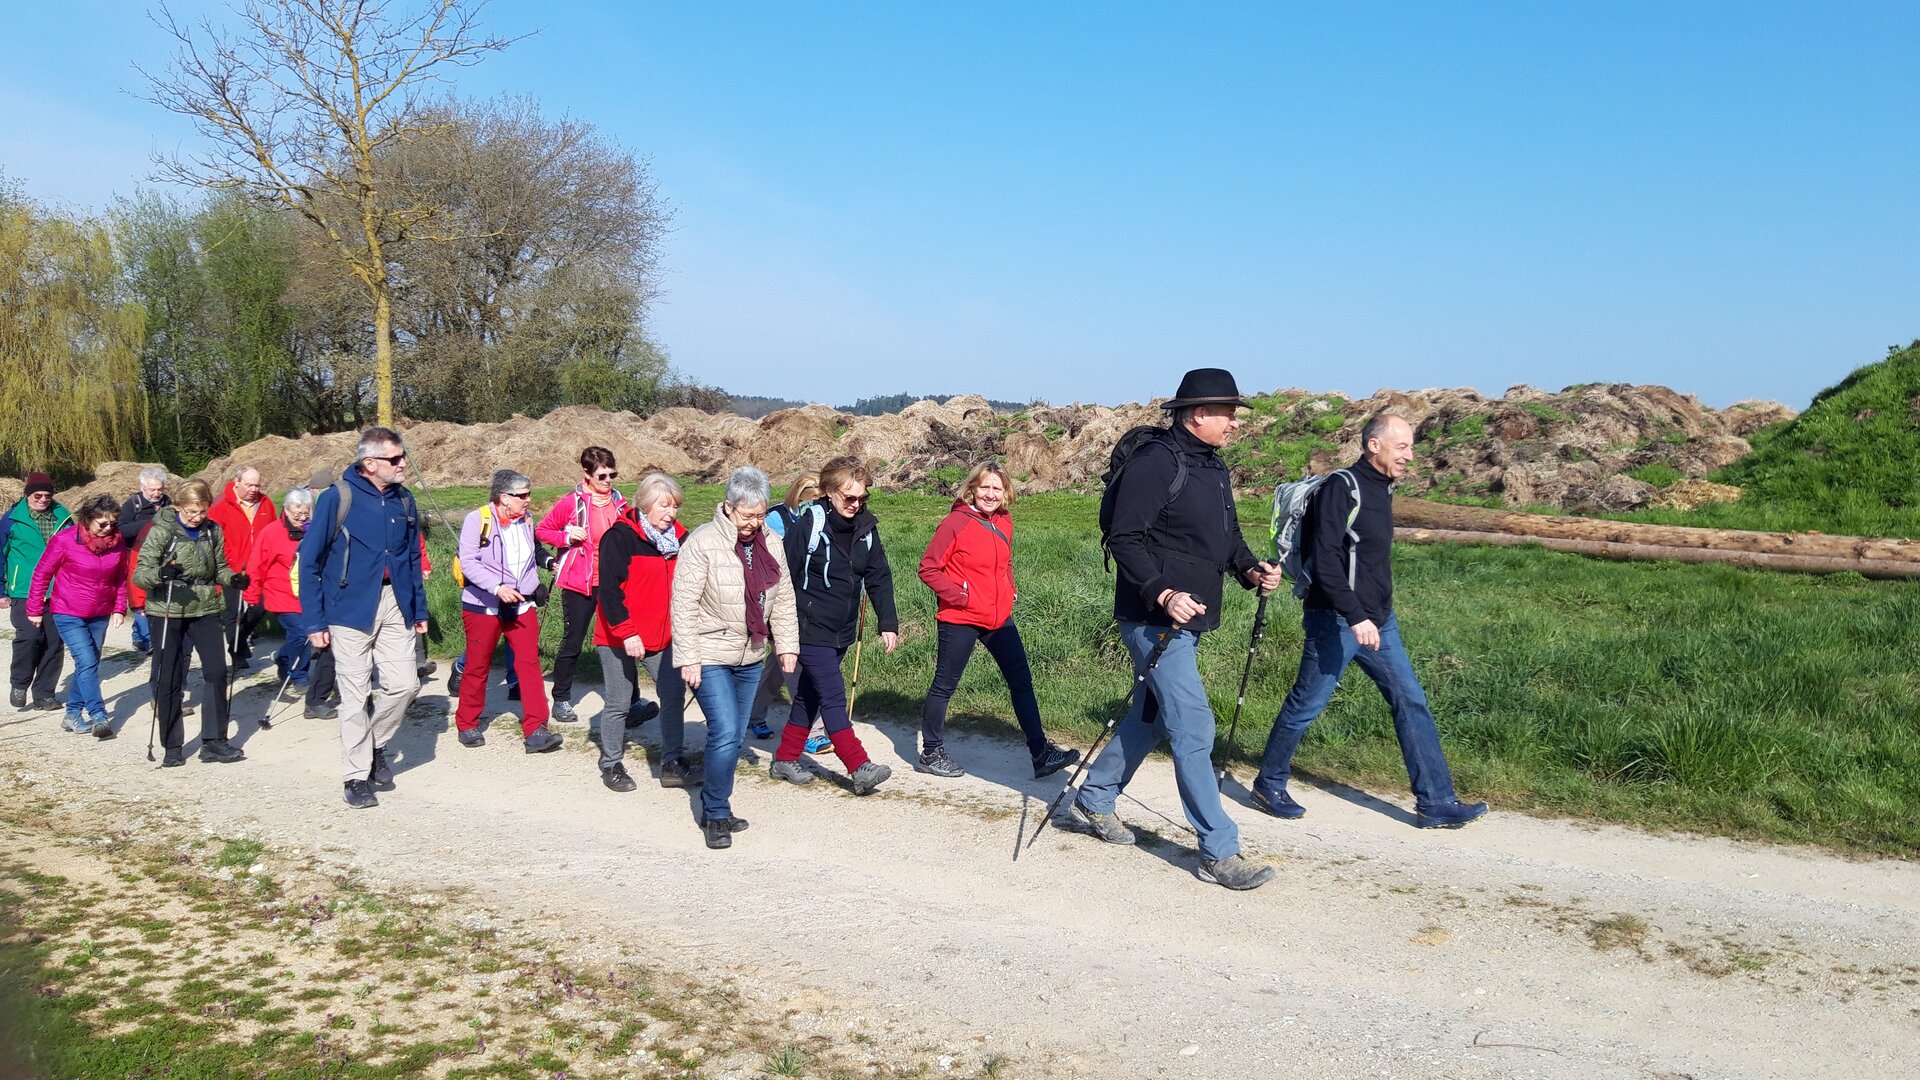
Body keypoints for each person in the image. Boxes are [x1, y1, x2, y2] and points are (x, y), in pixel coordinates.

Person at [1073, 368, 1283, 891]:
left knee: (1150, 717)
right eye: (1228, 414)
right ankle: (1219, 851)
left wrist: (1251, 569)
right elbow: (1124, 538)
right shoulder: (1155, 463)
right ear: (1197, 414)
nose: (1235, 423)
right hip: (1152, 618)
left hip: (1189, 615)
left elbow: (1225, 537)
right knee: (1193, 725)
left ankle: (1095, 795)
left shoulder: (1212, 466)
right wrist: (1163, 592)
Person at [1252, 411, 1489, 830]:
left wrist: (1373, 616)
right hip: (1336, 620)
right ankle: (1268, 783)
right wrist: (1356, 615)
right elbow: (1325, 560)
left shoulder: (1383, 490)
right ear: (1373, 445)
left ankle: (1436, 802)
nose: (1410, 456)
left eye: (1411, 447)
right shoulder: (1342, 489)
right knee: (1307, 704)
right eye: (1403, 447)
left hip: (1379, 622)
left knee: (1410, 699)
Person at [915, 463, 1079, 779]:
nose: (991, 494)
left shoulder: (1004, 520)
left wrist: (1010, 588)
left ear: (1006, 492)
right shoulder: (955, 523)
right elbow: (928, 569)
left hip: (998, 616)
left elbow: (1005, 561)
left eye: (997, 488)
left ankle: (1040, 754)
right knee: (945, 684)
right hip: (960, 616)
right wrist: (960, 597)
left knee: (1021, 681)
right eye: (985, 487)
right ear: (972, 489)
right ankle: (931, 752)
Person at [299, 428, 430, 809]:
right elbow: (310, 561)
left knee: (405, 686)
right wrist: (314, 622)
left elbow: (410, 559)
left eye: (402, 456)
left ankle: (375, 746)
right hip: (348, 606)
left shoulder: (404, 500)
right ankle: (356, 776)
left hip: (395, 603)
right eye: (395, 459)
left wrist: (418, 609)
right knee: (354, 697)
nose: (403, 463)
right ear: (370, 463)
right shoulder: (337, 497)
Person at [671, 467, 799, 850]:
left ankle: (720, 806)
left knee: (732, 735)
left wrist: (787, 645)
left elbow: (784, 598)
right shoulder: (702, 543)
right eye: (747, 516)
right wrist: (688, 657)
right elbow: (683, 605)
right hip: (710, 652)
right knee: (725, 732)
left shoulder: (772, 542)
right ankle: (714, 813)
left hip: (751, 655)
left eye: (760, 515)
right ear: (728, 507)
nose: (754, 523)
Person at [770, 456, 898, 796]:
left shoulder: (866, 528)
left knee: (809, 696)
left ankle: (784, 758)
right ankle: (858, 766)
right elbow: (784, 575)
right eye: (849, 497)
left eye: (862, 497)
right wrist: (780, 627)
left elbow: (879, 576)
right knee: (832, 696)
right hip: (808, 627)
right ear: (828, 492)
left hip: (842, 629)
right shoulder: (808, 525)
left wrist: (888, 622)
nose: (856, 504)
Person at [132, 479, 247, 766]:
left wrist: (232, 578)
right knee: (169, 677)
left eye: (202, 511)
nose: (197, 517)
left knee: (217, 672)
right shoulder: (162, 531)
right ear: (179, 506)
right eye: (191, 512)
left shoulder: (212, 531)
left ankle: (214, 741)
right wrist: (162, 574)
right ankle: (172, 746)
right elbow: (140, 574)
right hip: (168, 609)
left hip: (205, 607)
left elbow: (219, 567)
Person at [594, 472, 691, 791]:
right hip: (618, 636)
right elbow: (609, 591)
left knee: (673, 694)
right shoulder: (620, 537)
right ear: (645, 505)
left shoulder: (679, 538)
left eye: (674, 506)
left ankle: (672, 761)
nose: (671, 513)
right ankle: (610, 763)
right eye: (664, 505)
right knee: (620, 702)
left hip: (662, 637)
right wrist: (627, 632)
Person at [452, 470, 560, 754]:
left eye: (529, 494)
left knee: (529, 665)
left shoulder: (525, 519)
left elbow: (531, 551)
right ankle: (467, 722)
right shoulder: (477, 519)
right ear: (504, 498)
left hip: (521, 605)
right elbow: (469, 563)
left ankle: (537, 729)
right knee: (477, 665)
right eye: (523, 495)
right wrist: (497, 587)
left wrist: (547, 566)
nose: (529, 500)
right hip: (483, 605)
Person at [536, 446, 640, 724]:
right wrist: (567, 537)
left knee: (622, 639)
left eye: (612, 474)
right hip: (579, 583)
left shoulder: (620, 502)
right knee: (573, 642)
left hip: (612, 583)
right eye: (602, 475)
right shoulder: (571, 502)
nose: (608, 481)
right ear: (587, 473)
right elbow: (542, 530)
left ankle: (633, 701)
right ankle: (561, 699)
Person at [27, 494, 128, 737]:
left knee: (89, 664)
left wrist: (119, 607)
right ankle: (98, 714)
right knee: (87, 662)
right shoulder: (64, 541)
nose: (108, 529)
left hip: (100, 613)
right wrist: (34, 609)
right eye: (102, 524)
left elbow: (121, 578)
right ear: (87, 519)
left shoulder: (118, 541)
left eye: (113, 523)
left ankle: (72, 714)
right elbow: (42, 574)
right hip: (68, 612)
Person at [243, 487, 332, 707]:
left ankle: (284, 657)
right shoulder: (271, 533)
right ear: (286, 510)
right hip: (281, 593)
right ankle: (299, 676)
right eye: (297, 514)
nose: (302, 519)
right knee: (302, 632)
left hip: (309, 593)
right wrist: (251, 593)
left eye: (306, 514)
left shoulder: (316, 530)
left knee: (311, 634)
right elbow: (256, 565)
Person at [748, 473, 819, 744]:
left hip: (804, 601)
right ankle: (812, 730)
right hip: (775, 600)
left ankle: (753, 715)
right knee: (795, 666)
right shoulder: (776, 518)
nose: (814, 508)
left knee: (777, 667)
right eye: (810, 502)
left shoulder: (819, 519)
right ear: (798, 496)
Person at [2, 473, 71, 711]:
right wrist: (1, 590)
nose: (43, 499)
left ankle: (44, 694)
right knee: (29, 638)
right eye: (37, 495)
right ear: (27, 495)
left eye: (47, 495)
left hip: (58, 591)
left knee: (54, 642)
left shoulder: (64, 518)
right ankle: (19, 683)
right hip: (24, 589)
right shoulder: (11, 519)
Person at [207, 465, 277, 668]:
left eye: (257, 485)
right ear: (236, 483)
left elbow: (273, 531)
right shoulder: (220, 508)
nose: (254, 489)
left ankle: (240, 638)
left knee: (261, 606)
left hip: (261, 567)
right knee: (233, 612)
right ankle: (236, 653)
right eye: (249, 485)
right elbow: (214, 541)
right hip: (232, 569)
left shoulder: (266, 504)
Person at [118, 467, 170, 653]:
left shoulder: (169, 503)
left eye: (160, 489)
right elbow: (121, 530)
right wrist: (150, 524)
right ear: (142, 488)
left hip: (163, 556)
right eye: (152, 490)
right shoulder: (132, 505)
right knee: (138, 597)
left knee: (156, 596)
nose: (156, 494)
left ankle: (139, 636)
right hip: (136, 554)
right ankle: (149, 640)